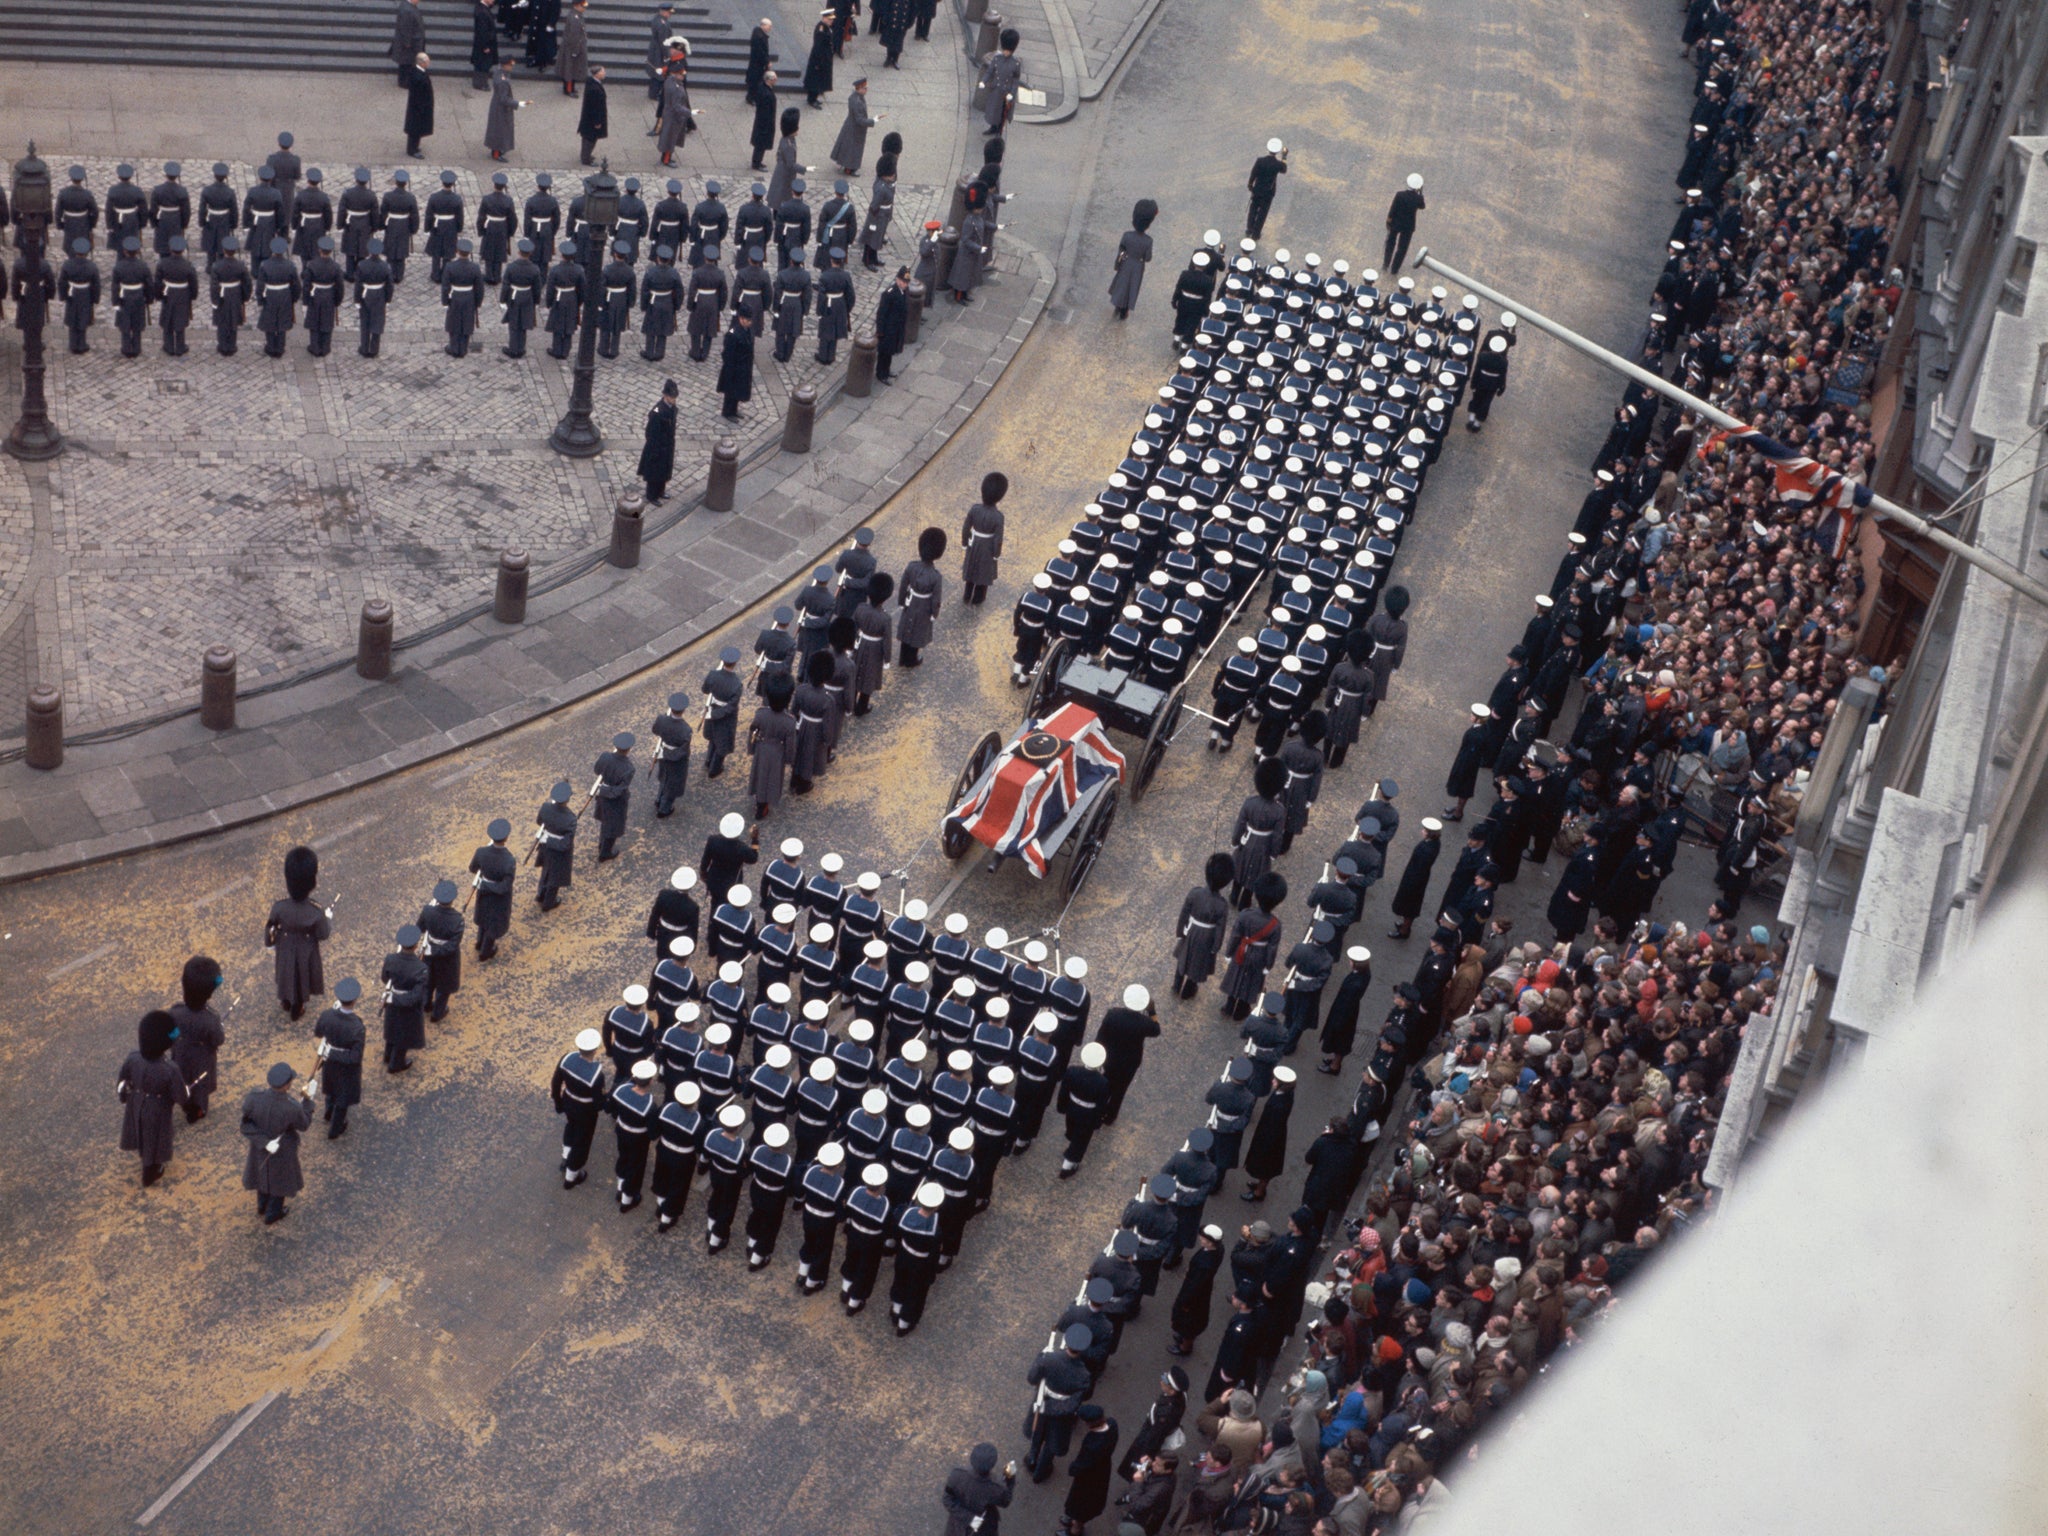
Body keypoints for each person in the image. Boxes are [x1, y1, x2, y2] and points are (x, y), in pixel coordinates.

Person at [118, 1011, 188, 1187]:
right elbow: (180, 1096)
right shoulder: (169, 1068)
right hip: (157, 1107)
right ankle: (150, 1171)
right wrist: (186, 1092)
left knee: (141, 1131)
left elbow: (123, 1080)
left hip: (136, 1101)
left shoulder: (133, 1057)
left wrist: (124, 1096)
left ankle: (148, 1163)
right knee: (154, 1140)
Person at [242, 1062, 316, 1225]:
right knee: (279, 1182)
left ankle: (262, 1206)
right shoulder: (292, 1107)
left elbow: (245, 1125)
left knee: (262, 1175)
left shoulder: (254, 1097)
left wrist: (264, 1142)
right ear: (287, 1085)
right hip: (283, 1149)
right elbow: (304, 1125)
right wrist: (308, 1102)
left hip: (260, 1148)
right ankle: (273, 1213)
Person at [266, 845, 330, 1021]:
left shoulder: (279, 907)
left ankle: (285, 1001)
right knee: (303, 976)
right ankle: (298, 1006)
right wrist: (326, 918)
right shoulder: (315, 910)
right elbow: (323, 934)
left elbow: (270, 927)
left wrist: (270, 942)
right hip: (306, 949)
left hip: (285, 946)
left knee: (286, 973)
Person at [1096, 984, 1160, 1126]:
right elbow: (1157, 1030)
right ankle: (1110, 1116)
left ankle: (1098, 1110)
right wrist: (1152, 1011)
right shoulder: (1144, 1023)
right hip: (1129, 1063)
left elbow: (1100, 1036)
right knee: (1120, 1090)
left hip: (1109, 1058)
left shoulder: (1112, 1014)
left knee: (1104, 1084)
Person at [311, 976, 367, 1139]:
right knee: (342, 1099)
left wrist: (329, 1051)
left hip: (329, 1062)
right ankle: (335, 1129)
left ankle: (328, 1113)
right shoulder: (357, 1026)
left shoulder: (327, 1015)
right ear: (355, 1000)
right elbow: (355, 1057)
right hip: (346, 1068)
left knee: (331, 1089)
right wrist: (334, 1053)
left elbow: (318, 1032)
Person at [552, 1027, 608, 1186]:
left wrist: (558, 1102)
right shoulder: (596, 1074)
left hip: (568, 1101)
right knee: (582, 1142)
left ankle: (565, 1157)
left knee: (570, 1128)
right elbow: (598, 1104)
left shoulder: (567, 1058)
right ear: (595, 1049)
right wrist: (607, 1099)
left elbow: (556, 1083)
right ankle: (571, 1177)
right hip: (586, 1111)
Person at [1061, 1404, 1119, 1536]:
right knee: (1085, 1503)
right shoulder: (1112, 1424)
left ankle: (1075, 1529)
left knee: (1081, 1503)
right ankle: (1074, 1520)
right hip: (1103, 1469)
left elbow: (1082, 1464)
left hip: (1089, 1478)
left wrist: (1073, 1468)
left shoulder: (1094, 1443)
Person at [627, 379, 682, 507]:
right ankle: (651, 495)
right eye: (671, 397)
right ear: (665, 395)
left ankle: (661, 491)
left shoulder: (672, 408)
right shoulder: (657, 411)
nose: (673, 400)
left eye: (674, 397)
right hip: (656, 446)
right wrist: (655, 446)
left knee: (664, 469)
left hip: (667, 445)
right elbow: (650, 431)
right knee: (654, 471)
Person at [896, 527, 945, 664]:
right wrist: (934, 613)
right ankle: (911, 659)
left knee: (907, 629)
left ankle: (903, 657)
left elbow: (903, 585)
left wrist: (901, 602)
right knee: (918, 633)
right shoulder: (936, 576)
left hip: (910, 602)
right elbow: (936, 600)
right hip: (924, 607)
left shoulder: (912, 566)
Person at [943, 1443, 1016, 1536]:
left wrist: (970, 1518)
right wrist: (1010, 1479)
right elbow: (1006, 1501)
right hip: (984, 1527)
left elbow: (947, 1499)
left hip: (958, 1525)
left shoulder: (957, 1474)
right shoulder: (995, 1488)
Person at [961, 473, 1006, 604]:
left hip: (974, 543)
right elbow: (998, 539)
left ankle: (967, 595)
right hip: (987, 547)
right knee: (984, 573)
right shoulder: (998, 516)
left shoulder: (975, 509)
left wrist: (965, 543)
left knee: (971, 568)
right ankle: (978, 598)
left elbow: (966, 527)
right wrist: (996, 555)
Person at [534, 778, 579, 910]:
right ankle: (548, 903)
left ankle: (540, 894)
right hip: (558, 851)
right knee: (555, 878)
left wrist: (547, 838)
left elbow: (539, 821)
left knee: (546, 871)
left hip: (545, 846)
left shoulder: (545, 807)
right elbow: (565, 844)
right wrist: (550, 839)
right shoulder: (570, 818)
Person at [1108, 199, 1155, 320]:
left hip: (1126, 262)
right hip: (1138, 266)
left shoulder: (1127, 235)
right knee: (1132, 287)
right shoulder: (1148, 240)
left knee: (1122, 285)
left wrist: (1117, 263)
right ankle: (1125, 311)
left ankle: (1118, 306)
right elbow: (1148, 258)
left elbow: (1121, 250)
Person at [978, 29, 1021, 136]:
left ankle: (999, 131)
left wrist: (1012, 93)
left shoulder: (1016, 63)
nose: (1006, 52)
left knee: (1003, 114)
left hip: (1006, 94)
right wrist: (984, 81)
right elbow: (990, 71)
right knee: (994, 111)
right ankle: (993, 127)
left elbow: (1015, 80)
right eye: (1005, 49)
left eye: (1008, 50)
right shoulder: (997, 59)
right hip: (996, 91)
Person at [874, 263, 912, 382]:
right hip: (888, 329)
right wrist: (880, 331)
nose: (905, 284)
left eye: (906, 282)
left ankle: (887, 370)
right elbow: (881, 313)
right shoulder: (889, 293)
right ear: (897, 279)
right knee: (884, 353)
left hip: (897, 328)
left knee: (890, 352)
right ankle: (881, 374)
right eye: (903, 281)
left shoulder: (904, 291)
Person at [1246, 138, 1287, 239]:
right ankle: (1256, 234)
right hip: (1268, 192)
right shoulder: (1277, 164)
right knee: (1262, 213)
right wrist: (1284, 156)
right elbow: (1284, 170)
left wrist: (1250, 184)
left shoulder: (1260, 161)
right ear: (1277, 151)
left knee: (1253, 209)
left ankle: (1249, 229)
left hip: (1257, 189)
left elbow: (1253, 173)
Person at [1383, 172, 1425, 272]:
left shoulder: (1399, 195)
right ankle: (1395, 268)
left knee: (1390, 243)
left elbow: (1393, 208)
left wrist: (1389, 220)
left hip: (1396, 223)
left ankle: (1386, 263)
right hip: (1408, 226)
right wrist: (1421, 193)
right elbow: (1422, 206)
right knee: (1402, 248)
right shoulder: (1418, 198)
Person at [832, 78, 876, 172]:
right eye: (864, 88)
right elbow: (859, 120)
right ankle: (849, 169)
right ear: (859, 88)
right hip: (855, 130)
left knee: (847, 147)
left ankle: (844, 163)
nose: (866, 90)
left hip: (851, 126)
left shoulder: (855, 97)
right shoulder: (857, 102)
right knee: (853, 149)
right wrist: (872, 121)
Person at [1469, 333, 1510, 430]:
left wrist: (1473, 383)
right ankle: (1477, 422)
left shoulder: (1483, 356)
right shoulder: (1503, 361)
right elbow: (1502, 375)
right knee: (1486, 402)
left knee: (1476, 398)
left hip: (1481, 381)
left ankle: (1471, 416)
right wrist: (1502, 387)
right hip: (1493, 384)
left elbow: (1477, 370)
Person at [486, 59, 524, 159]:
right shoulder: (503, 81)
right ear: (505, 65)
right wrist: (518, 103)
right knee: (500, 130)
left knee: (497, 129)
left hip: (496, 105)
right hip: (501, 109)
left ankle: (496, 150)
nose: (512, 67)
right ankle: (496, 153)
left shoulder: (498, 74)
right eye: (510, 65)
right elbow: (504, 99)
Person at [658, 64, 694, 165]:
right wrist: (689, 112)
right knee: (670, 139)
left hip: (669, 114)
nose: (683, 76)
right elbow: (676, 106)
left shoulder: (670, 81)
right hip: (674, 117)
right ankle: (666, 159)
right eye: (681, 74)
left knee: (669, 138)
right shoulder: (675, 88)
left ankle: (666, 158)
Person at [575, 63, 609, 164]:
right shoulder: (595, 89)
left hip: (588, 119)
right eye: (602, 71)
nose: (604, 73)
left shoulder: (591, 82)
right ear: (597, 74)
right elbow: (595, 107)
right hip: (592, 120)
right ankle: (586, 159)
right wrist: (597, 122)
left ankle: (586, 155)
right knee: (590, 139)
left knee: (589, 138)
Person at [404, 53, 436, 157]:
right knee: (415, 129)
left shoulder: (418, 72)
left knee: (416, 129)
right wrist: (423, 107)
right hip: (419, 107)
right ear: (422, 63)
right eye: (427, 61)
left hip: (418, 106)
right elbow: (419, 94)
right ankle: (412, 150)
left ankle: (414, 147)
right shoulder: (418, 76)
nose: (428, 63)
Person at [803, 8, 836, 107]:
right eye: (829, 19)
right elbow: (818, 47)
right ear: (824, 18)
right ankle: (811, 99)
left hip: (824, 59)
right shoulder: (821, 29)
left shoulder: (826, 27)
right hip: (819, 60)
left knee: (820, 80)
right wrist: (818, 63)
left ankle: (814, 98)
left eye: (832, 19)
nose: (831, 21)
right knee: (815, 81)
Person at [750, 72, 781, 171]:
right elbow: (765, 111)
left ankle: (758, 161)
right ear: (769, 80)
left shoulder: (763, 88)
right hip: (764, 123)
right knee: (761, 144)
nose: (776, 81)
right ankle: (756, 163)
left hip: (762, 122)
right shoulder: (766, 93)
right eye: (774, 79)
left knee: (760, 144)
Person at [392, 0, 427, 85]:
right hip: (410, 43)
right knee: (407, 63)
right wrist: (407, 42)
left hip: (411, 41)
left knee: (406, 63)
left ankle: (404, 81)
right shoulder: (407, 10)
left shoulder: (407, 6)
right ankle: (405, 82)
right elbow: (405, 28)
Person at [559, 0, 590, 93]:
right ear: (576, 5)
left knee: (572, 69)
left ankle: (571, 87)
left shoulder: (577, 15)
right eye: (582, 6)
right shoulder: (574, 17)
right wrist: (575, 50)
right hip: (573, 48)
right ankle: (568, 89)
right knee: (570, 70)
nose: (584, 8)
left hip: (574, 46)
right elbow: (574, 36)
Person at [470, 0, 499, 87]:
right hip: (484, 43)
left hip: (484, 43)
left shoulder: (482, 9)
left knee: (483, 64)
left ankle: (480, 83)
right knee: (483, 64)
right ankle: (480, 83)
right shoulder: (482, 11)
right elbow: (482, 31)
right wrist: (485, 46)